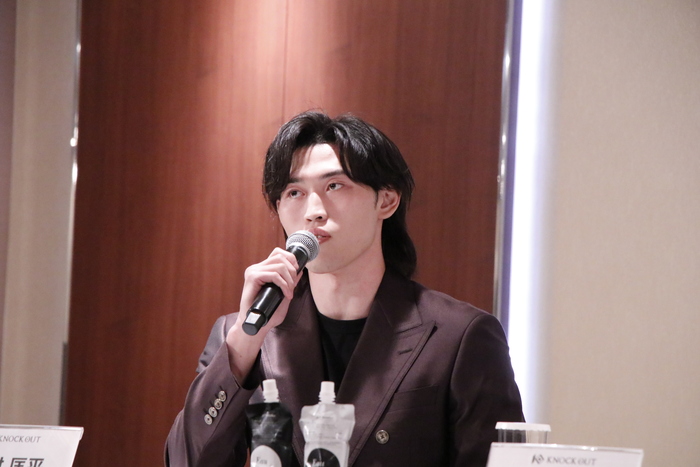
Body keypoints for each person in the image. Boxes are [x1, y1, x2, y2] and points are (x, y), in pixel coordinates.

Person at [165, 111, 524, 467]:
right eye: (294, 192)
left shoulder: (458, 337)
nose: (313, 211)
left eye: (334, 186)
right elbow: (186, 461)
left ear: (386, 200)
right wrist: (244, 344)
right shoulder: (241, 336)